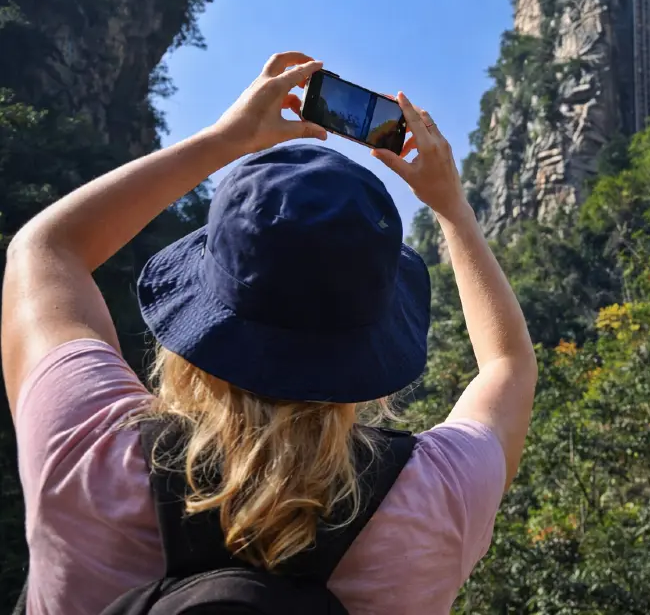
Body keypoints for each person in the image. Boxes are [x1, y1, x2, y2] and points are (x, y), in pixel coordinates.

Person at [1, 52, 537, 614]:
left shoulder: (86, 445)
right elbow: (508, 366)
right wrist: (451, 206)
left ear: (200, 312)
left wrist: (224, 140)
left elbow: (46, 249)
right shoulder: (436, 500)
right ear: (372, 343)